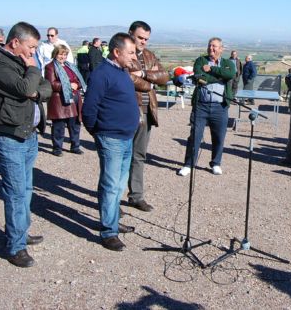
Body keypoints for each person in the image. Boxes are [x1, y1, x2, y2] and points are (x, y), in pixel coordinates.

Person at [0, 22, 52, 267]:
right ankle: (15, 246)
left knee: (26, 189)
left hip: (29, 134)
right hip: (9, 136)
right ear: (15, 42)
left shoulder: (21, 63)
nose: (33, 53)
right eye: (30, 47)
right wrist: (31, 77)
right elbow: (26, 87)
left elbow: (45, 88)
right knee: (15, 193)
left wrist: (33, 88)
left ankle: (21, 232)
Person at [82, 33, 140, 251]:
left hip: (126, 138)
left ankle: (113, 221)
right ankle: (108, 232)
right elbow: (89, 109)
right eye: (131, 52)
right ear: (117, 52)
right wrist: (97, 131)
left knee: (118, 185)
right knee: (110, 185)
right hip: (111, 138)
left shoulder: (121, 72)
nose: (134, 56)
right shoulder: (102, 74)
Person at [125, 21, 169, 212]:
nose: (143, 42)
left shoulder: (149, 56)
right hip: (126, 111)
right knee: (120, 157)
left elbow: (165, 76)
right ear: (130, 34)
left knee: (139, 155)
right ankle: (111, 199)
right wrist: (150, 83)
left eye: (146, 39)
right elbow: (127, 78)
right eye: (140, 37)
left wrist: (143, 73)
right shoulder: (122, 52)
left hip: (146, 111)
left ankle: (136, 196)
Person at [178, 37, 235, 176]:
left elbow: (230, 74)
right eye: (209, 46)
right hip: (201, 105)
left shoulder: (228, 63)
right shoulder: (200, 61)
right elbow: (199, 77)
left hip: (220, 106)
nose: (211, 48)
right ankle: (188, 164)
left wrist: (212, 70)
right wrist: (220, 76)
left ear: (221, 49)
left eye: (215, 46)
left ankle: (216, 163)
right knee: (195, 135)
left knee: (219, 136)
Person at [44, 44, 86, 156]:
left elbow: (78, 80)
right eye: (60, 54)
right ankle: (57, 148)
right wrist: (67, 86)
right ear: (55, 54)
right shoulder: (50, 67)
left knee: (75, 125)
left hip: (74, 99)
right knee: (59, 126)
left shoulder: (70, 66)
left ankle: (75, 146)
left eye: (65, 54)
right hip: (60, 101)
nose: (63, 56)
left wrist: (77, 85)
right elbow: (51, 84)